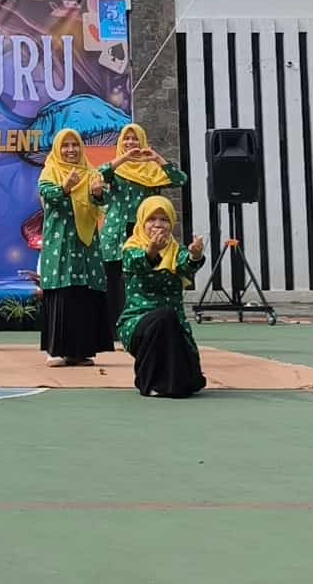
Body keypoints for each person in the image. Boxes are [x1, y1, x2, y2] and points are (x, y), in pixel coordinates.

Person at [91, 124, 187, 338]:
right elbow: (97, 176)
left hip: (145, 234)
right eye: (127, 139)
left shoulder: (153, 170)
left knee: (142, 277)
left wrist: (156, 158)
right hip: (115, 232)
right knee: (114, 279)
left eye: (135, 139)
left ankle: (142, 327)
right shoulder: (116, 170)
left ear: (143, 141)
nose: (131, 143)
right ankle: (111, 331)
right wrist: (124, 159)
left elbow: (181, 179)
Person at [117, 196, 209, 398]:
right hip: (137, 323)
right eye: (152, 219)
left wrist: (195, 255)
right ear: (142, 222)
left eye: (164, 219)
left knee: (191, 382)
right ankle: (149, 383)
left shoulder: (176, 250)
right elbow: (138, 264)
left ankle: (170, 383)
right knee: (164, 317)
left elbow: (187, 265)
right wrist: (152, 250)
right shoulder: (131, 249)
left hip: (175, 326)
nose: (158, 224)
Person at [37, 129, 111, 367]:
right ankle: (55, 350)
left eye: (75, 145)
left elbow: (103, 201)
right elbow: (49, 196)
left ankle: (80, 351)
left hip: (86, 242)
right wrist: (65, 187)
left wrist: (98, 193)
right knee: (62, 291)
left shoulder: (91, 172)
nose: (71, 150)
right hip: (60, 243)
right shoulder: (50, 171)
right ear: (58, 149)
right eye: (66, 146)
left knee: (83, 293)